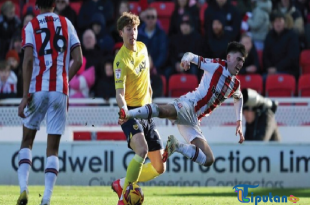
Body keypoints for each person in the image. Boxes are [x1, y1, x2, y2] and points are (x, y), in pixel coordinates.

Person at [119, 42, 246, 168]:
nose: (240, 64)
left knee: (208, 159)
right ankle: (128, 113)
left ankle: (176, 146)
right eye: (238, 59)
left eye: (243, 61)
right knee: (164, 112)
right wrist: (186, 59)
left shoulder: (235, 85)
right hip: (189, 104)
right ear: (229, 57)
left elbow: (238, 98)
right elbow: (191, 55)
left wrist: (239, 121)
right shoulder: (217, 66)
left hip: (194, 120)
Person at [16, 1, 83, 205]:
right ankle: (45, 199)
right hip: (59, 90)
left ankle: (23, 189)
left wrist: (25, 94)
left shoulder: (31, 25)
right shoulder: (66, 23)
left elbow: (28, 61)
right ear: (55, 4)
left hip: (37, 89)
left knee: (27, 140)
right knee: (52, 148)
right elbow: (78, 60)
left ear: (37, 4)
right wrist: (65, 81)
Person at [111, 12, 165, 205]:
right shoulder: (120, 60)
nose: (133, 33)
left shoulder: (143, 48)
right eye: (128, 29)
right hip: (131, 113)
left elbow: (147, 77)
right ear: (121, 33)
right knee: (141, 150)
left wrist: (150, 94)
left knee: (160, 167)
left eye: (134, 29)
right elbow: (119, 93)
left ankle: (122, 183)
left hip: (147, 112)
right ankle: (125, 196)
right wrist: (124, 110)